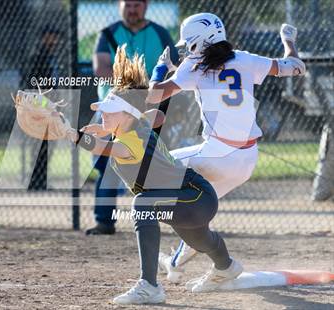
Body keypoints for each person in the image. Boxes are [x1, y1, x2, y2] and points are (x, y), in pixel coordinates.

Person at [64, 46, 242, 304]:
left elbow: (107, 148)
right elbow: (155, 114)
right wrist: (157, 73)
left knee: (142, 204)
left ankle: (149, 286)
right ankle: (227, 267)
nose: (102, 113)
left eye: (108, 111)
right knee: (199, 238)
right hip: (188, 199)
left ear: (126, 115)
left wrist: (77, 136)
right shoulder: (137, 125)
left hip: (194, 197)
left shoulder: (131, 141)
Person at [147, 13, 306, 285]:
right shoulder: (244, 59)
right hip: (246, 160)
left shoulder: (193, 65)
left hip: (217, 156)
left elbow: (153, 95)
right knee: (195, 214)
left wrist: (161, 68)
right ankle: (194, 266)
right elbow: (296, 66)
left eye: (189, 43)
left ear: (200, 41)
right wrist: (287, 41)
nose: (186, 48)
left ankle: (169, 259)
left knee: (154, 170)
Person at [87, 0, 178, 235]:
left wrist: (145, 96)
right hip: (112, 109)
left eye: (137, 5)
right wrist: (131, 91)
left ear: (145, 6)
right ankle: (104, 221)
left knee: (154, 162)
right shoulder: (108, 33)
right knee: (107, 163)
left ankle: (166, 217)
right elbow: (101, 68)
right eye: (128, 5)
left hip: (149, 110)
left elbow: (175, 68)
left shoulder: (159, 33)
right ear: (120, 6)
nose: (132, 9)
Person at [20, 27, 61, 190]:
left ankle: (40, 181)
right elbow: (33, 85)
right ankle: (35, 181)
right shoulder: (38, 57)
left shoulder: (50, 57)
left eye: (55, 38)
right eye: (50, 37)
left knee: (47, 145)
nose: (54, 41)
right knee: (39, 145)